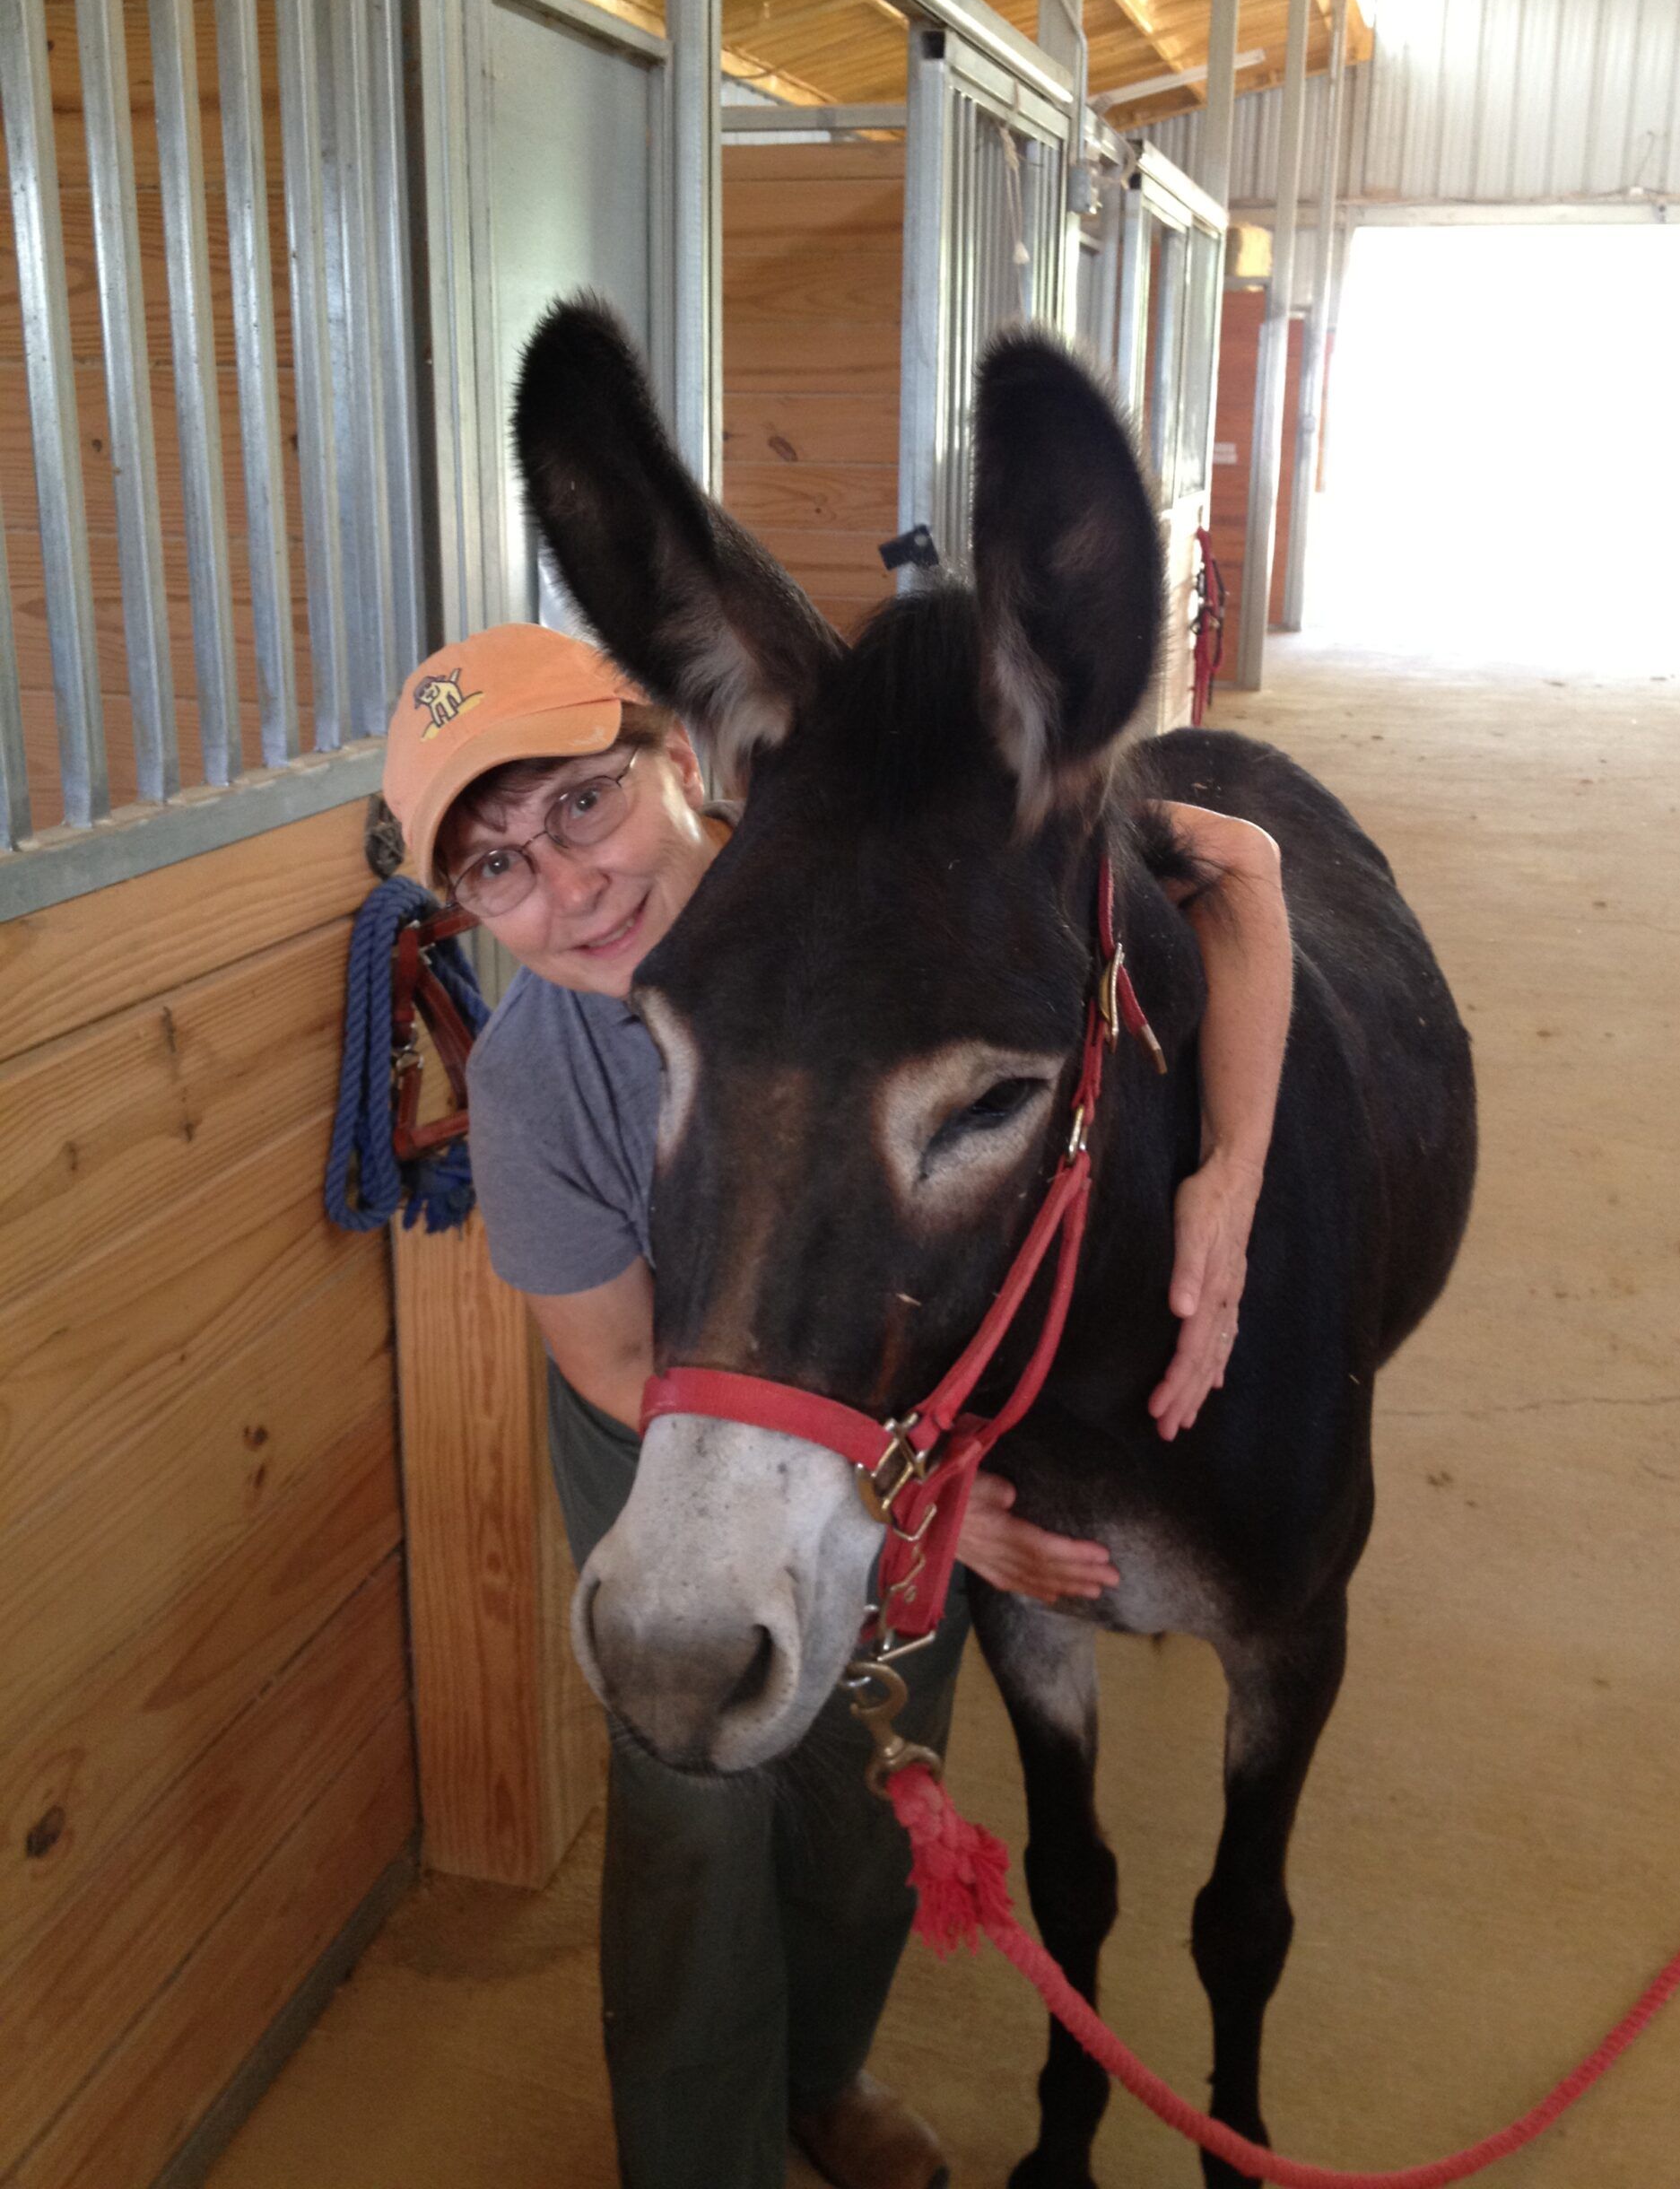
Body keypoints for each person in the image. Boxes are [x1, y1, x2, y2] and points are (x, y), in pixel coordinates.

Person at [380, 623, 1292, 2189]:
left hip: (880, 1429)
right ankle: (703, 2155)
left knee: (874, 1752)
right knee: (689, 1814)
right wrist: (942, 1508)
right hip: (662, 1423)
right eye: (498, 870)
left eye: (583, 805)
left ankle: (822, 2072)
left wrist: (1228, 1178)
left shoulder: (880, 871)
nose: (570, 887)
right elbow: (607, 1356)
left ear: (680, 758)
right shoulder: (541, 1071)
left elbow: (1232, 864)